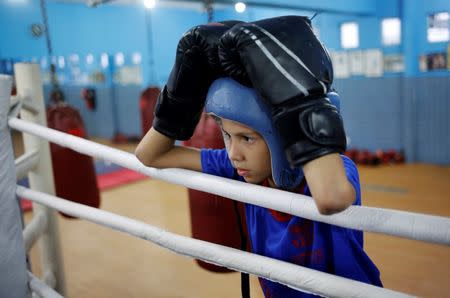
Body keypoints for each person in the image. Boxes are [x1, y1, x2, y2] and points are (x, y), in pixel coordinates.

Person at [135, 16, 382, 297]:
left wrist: (299, 99)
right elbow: (149, 154)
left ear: (279, 135)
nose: (233, 153)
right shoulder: (242, 166)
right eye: (227, 135)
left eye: (247, 138)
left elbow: (331, 197)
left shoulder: (339, 171)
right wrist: (179, 99)